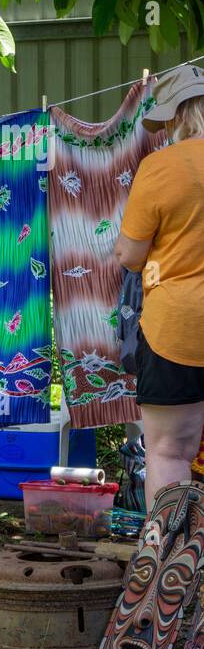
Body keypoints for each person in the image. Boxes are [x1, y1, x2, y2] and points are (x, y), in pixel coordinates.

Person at [115, 64, 204, 507]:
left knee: (170, 453)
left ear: (178, 116)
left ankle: (171, 564)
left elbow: (130, 256)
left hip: (177, 330)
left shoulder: (161, 166)